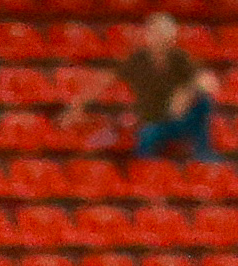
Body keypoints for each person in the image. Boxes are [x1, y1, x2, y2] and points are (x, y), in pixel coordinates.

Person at [66, 12, 219, 162]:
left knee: (203, 103)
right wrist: (78, 106)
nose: (160, 38)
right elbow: (106, 81)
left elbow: (208, 83)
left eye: (165, 34)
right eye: (156, 32)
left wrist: (185, 92)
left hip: (177, 118)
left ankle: (203, 154)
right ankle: (145, 167)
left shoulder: (180, 58)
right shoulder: (137, 59)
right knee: (146, 136)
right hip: (151, 120)